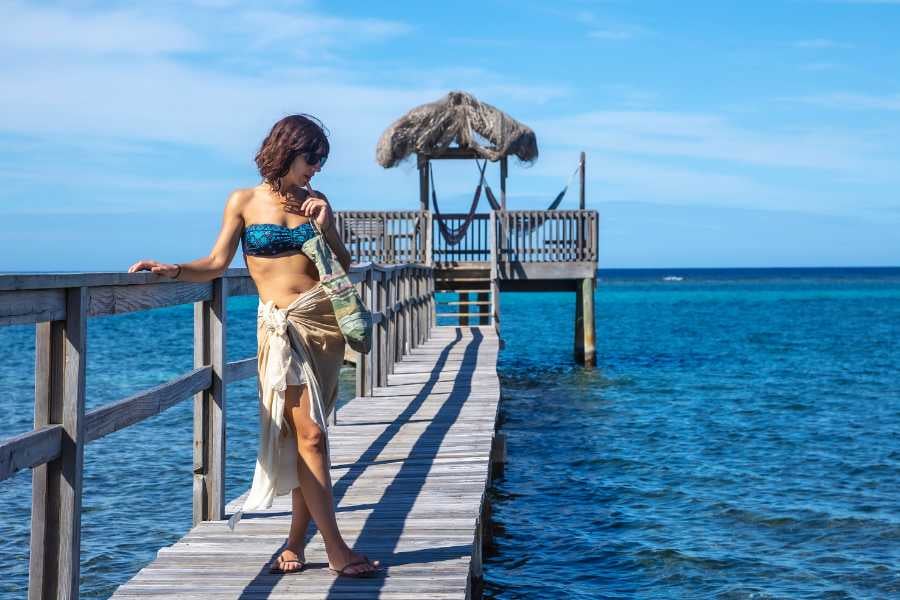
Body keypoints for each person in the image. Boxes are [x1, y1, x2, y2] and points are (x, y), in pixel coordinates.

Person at [128, 114, 380, 578]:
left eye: (322, 160)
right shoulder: (243, 200)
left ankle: (294, 542)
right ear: (287, 150)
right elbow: (216, 262)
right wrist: (173, 269)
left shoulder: (317, 201)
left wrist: (327, 227)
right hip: (281, 330)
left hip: (323, 327)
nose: (317, 169)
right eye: (312, 158)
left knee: (309, 440)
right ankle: (337, 549)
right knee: (311, 436)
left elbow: (341, 266)